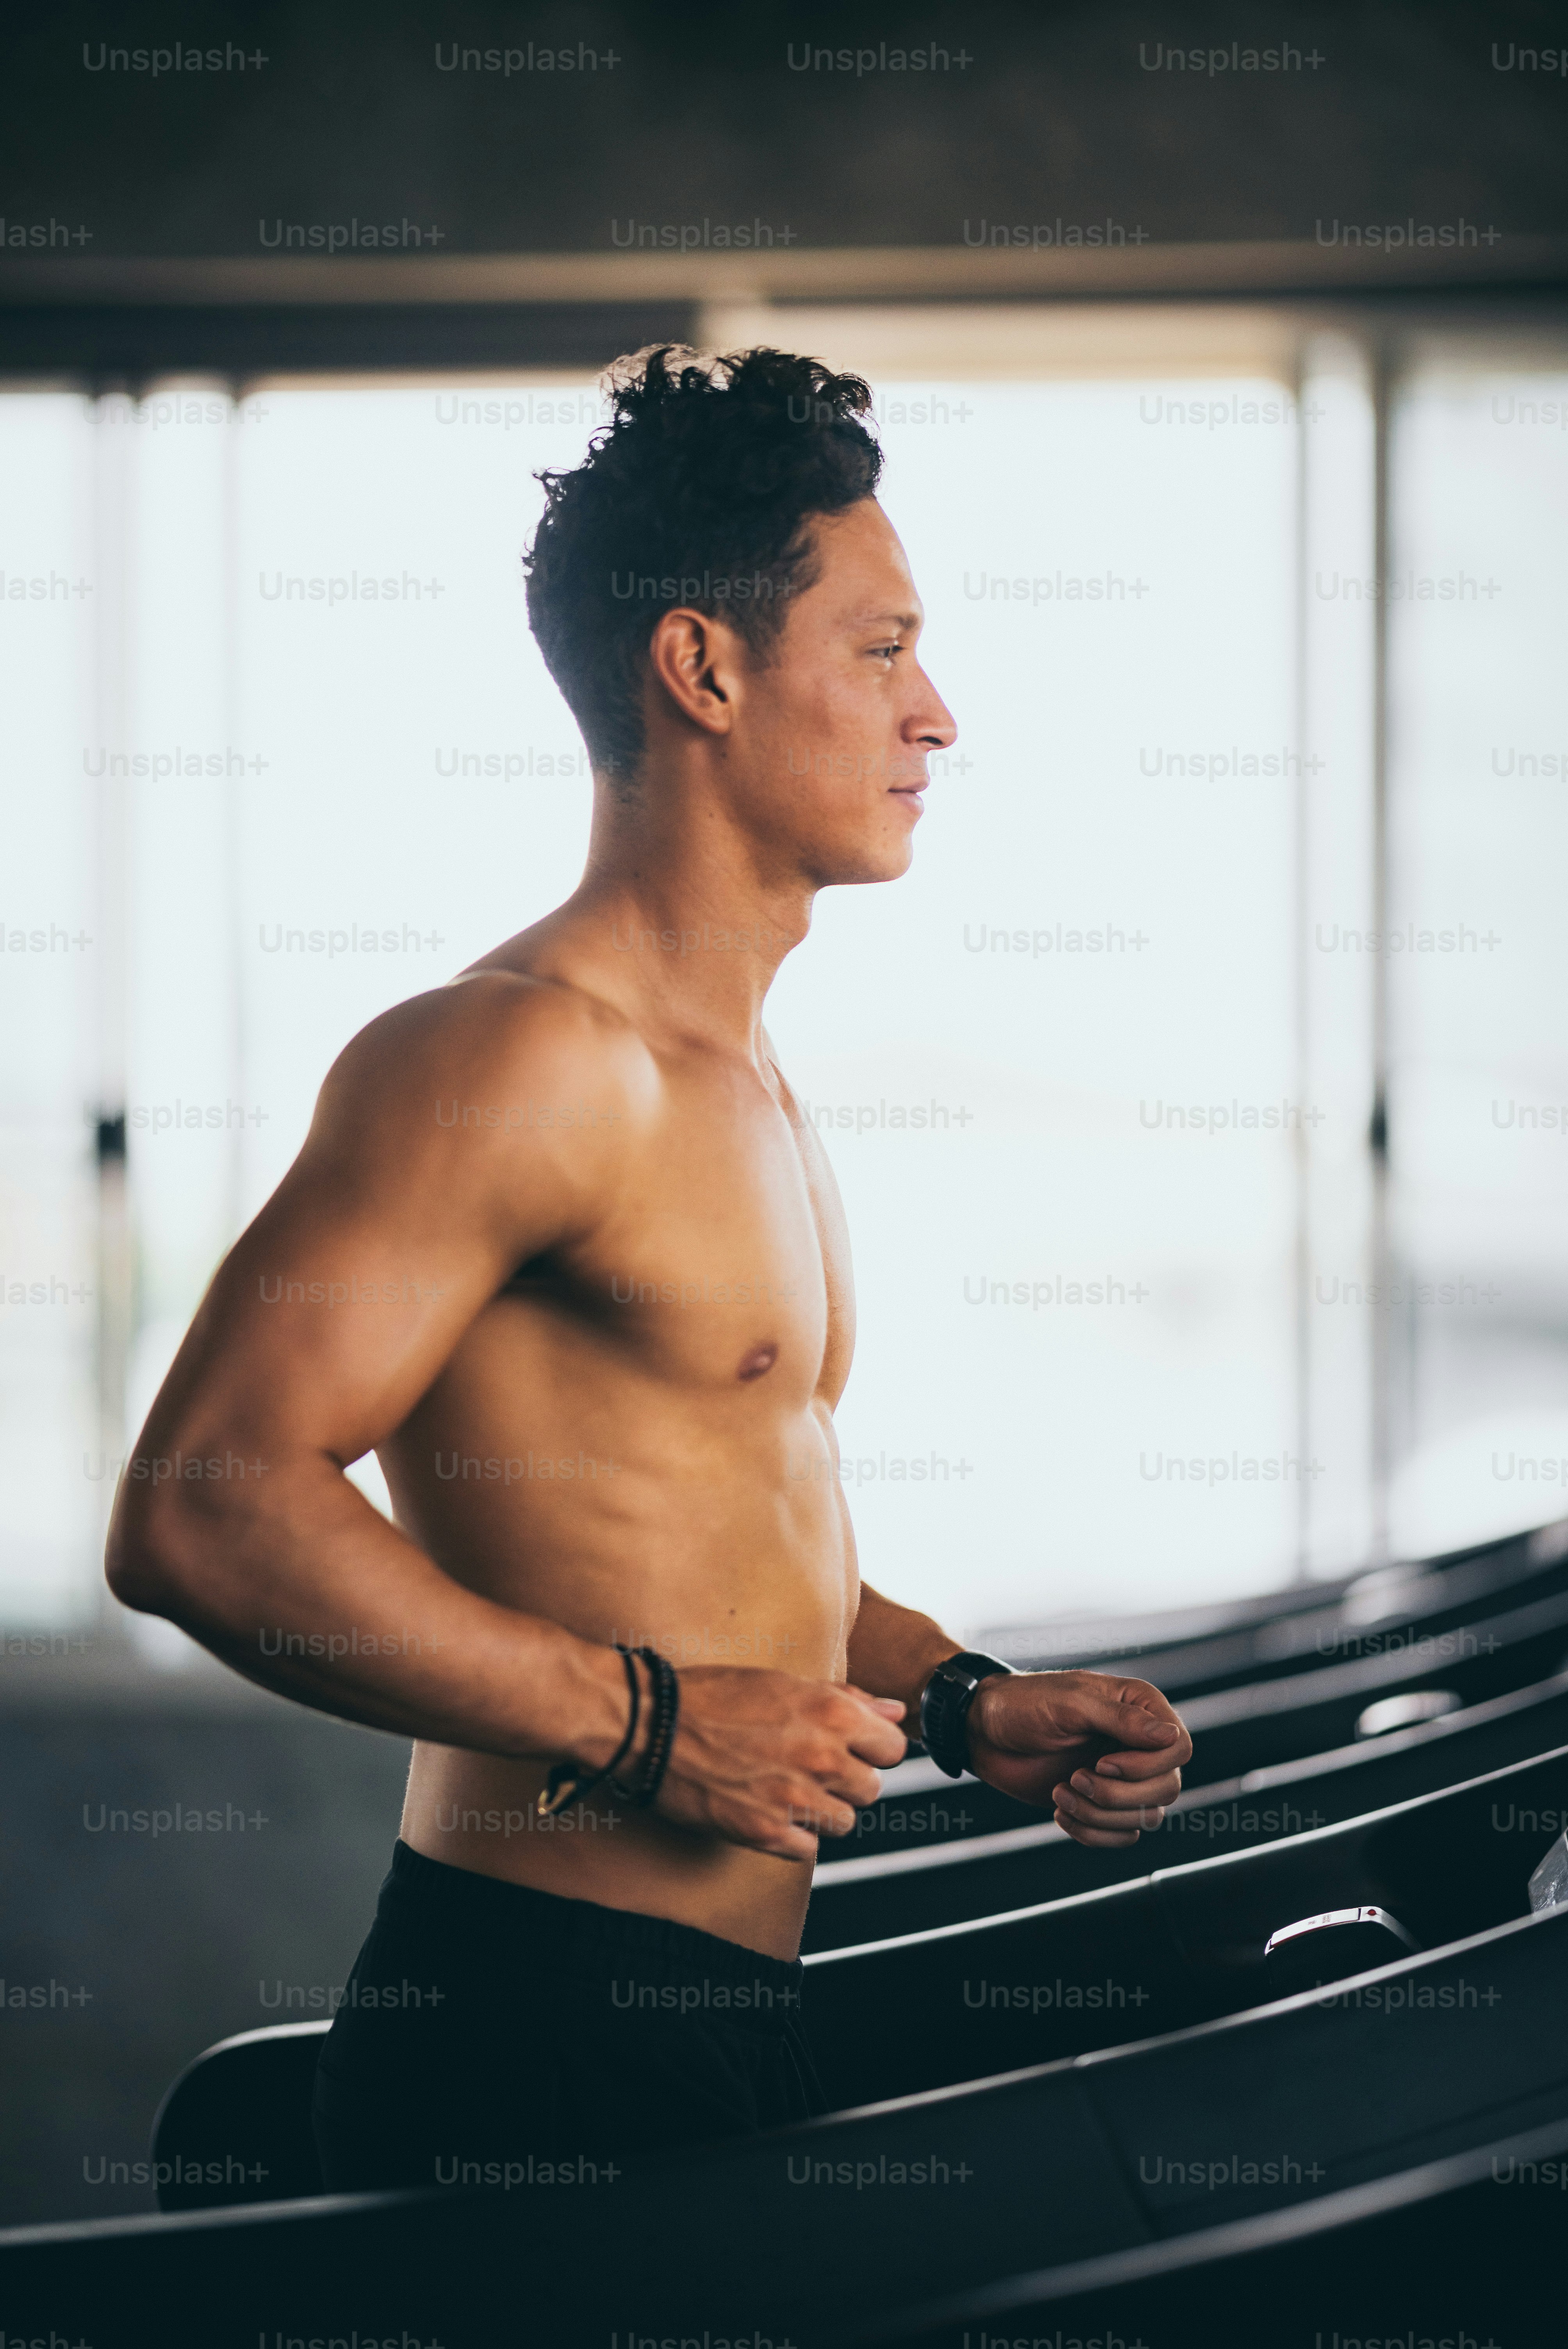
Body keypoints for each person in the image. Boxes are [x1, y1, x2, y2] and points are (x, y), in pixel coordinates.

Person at [107, 346, 1192, 2189]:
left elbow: (699, 1529)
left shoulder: (737, 1075)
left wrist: (946, 1698)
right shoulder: (516, 1058)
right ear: (702, 668)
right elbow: (199, 1510)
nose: (935, 716)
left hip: (721, 2012)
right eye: (879, 649)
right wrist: (645, 1726)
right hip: (538, 2027)